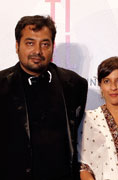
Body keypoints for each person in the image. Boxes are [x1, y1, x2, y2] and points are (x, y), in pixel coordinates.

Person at [0, 15, 88, 180]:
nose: (37, 51)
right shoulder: (1, 85)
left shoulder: (75, 84)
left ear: (52, 47)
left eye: (45, 44)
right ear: (17, 45)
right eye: (30, 43)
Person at [77, 57, 118, 180]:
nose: (113, 87)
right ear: (100, 85)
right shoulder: (89, 119)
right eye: (107, 81)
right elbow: (83, 164)